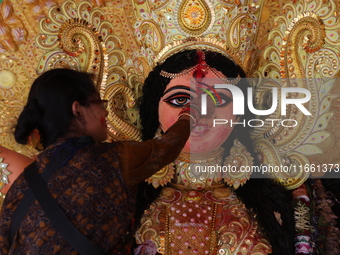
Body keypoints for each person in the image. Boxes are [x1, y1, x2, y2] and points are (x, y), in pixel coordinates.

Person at [0, 68, 201, 255]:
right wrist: (187, 115)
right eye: (99, 103)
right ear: (78, 110)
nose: (105, 113)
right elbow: (168, 146)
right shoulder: (114, 159)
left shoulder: (21, 186)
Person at [134, 50, 295, 255]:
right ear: (155, 112)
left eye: (217, 100)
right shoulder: (128, 199)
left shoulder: (274, 204)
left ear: (238, 115)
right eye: (181, 100)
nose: (198, 112)